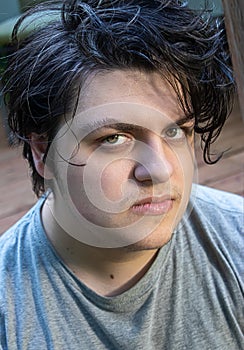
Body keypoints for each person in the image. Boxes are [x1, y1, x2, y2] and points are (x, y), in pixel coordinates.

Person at [0, 0, 243, 349]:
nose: (159, 169)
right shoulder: (9, 313)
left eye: (176, 132)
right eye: (114, 139)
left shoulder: (236, 243)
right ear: (43, 152)